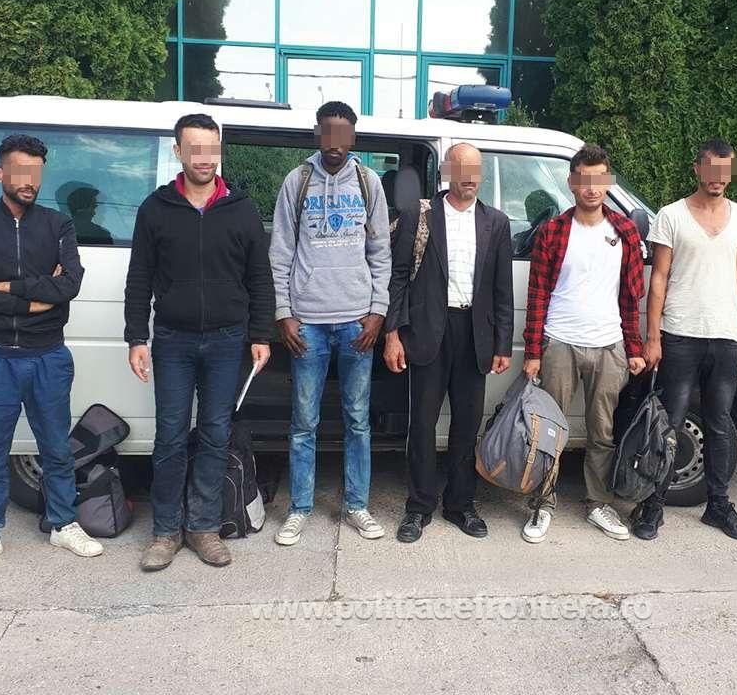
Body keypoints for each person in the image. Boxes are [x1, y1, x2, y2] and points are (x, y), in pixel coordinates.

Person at [0, 133, 100, 575]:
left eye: (36, 173)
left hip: (48, 356)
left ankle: (63, 523)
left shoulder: (57, 225)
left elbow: (68, 285)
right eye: (20, 171)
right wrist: (34, 299)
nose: (29, 181)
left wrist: (5, 287)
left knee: (57, 448)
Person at [124, 113, 273, 571]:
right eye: (194, 148)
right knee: (170, 436)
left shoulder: (241, 209)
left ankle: (204, 527)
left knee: (214, 434)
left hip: (228, 341)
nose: (204, 158)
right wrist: (136, 337)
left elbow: (259, 278)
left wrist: (261, 334)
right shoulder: (156, 208)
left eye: (211, 148)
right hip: (173, 340)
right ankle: (166, 532)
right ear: (179, 152)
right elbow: (139, 277)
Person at [269, 101, 391, 546]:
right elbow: (281, 252)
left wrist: (377, 311)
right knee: (304, 422)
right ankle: (299, 508)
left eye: (343, 134)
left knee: (358, 420)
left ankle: (357, 505)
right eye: (327, 133)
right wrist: (284, 312)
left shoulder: (368, 182)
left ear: (352, 138)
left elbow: (381, 253)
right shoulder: (297, 181)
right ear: (317, 135)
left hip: (357, 322)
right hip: (309, 324)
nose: (334, 142)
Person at [384, 142, 514, 543]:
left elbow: (503, 289)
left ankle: (460, 504)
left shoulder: (496, 223)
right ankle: (419, 506)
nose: (469, 178)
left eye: (475, 170)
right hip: (427, 332)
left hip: (474, 334)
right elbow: (398, 277)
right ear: (446, 173)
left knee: (466, 425)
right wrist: (393, 333)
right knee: (422, 424)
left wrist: (503, 344)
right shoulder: (420, 216)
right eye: (461, 169)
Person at [521, 144, 646, 543]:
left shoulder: (624, 232)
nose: (592, 188)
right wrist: (534, 351)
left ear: (608, 182)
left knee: (602, 431)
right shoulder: (554, 231)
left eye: (599, 179)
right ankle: (542, 503)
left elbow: (631, 297)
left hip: (609, 345)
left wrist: (634, 348)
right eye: (584, 180)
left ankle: (598, 503)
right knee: (549, 431)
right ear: (572, 182)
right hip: (560, 342)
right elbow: (537, 295)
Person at [638, 139, 737, 542]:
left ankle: (718, 505)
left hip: (724, 336)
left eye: (725, 171)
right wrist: (652, 335)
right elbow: (659, 278)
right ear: (697, 170)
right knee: (670, 422)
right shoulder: (671, 215)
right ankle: (653, 504)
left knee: (720, 423)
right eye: (711, 169)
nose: (717, 178)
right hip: (680, 334)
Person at [56, 181, 113, 246]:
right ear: (81, 209)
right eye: (94, 206)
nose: (95, 213)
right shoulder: (102, 235)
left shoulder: (53, 231)